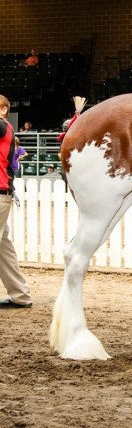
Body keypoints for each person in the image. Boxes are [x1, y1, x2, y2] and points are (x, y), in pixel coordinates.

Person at [0, 95, 32, 309]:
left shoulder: (2, 125)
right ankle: (20, 295)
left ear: (3, 110)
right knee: (4, 248)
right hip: (3, 193)